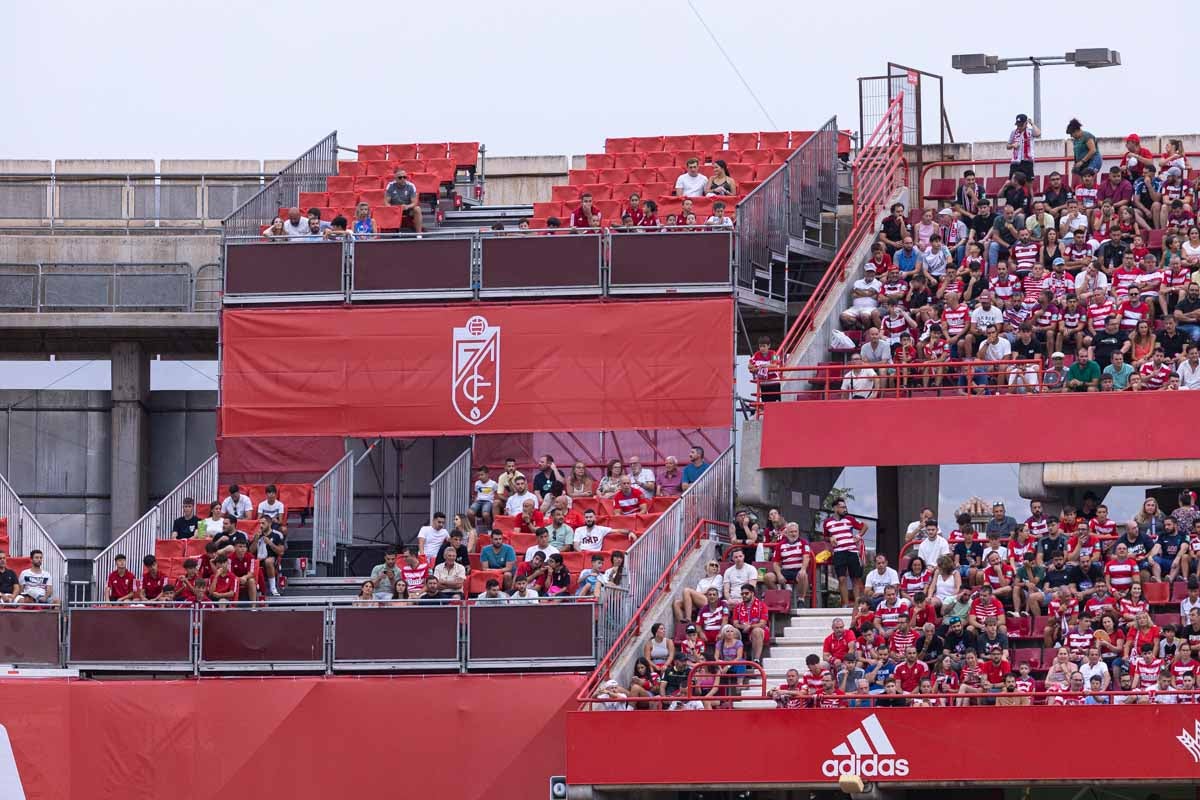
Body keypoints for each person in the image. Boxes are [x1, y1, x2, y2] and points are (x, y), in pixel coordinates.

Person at [674, 558, 723, 623]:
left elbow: (711, 590)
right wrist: (700, 593)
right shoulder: (702, 581)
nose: (714, 566)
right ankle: (681, 625)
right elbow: (698, 592)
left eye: (716, 565)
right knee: (676, 603)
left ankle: (688, 618)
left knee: (686, 590)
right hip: (701, 600)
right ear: (707, 567)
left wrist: (700, 593)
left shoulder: (718, 577)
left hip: (712, 600)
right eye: (712, 565)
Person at [385, 167, 423, 233]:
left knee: (417, 209)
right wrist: (392, 208)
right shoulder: (390, 186)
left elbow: (414, 202)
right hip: (394, 209)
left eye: (404, 177)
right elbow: (386, 202)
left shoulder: (411, 186)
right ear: (395, 179)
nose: (402, 179)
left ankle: (419, 234)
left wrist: (407, 206)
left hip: (407, 208)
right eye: (400, 177)